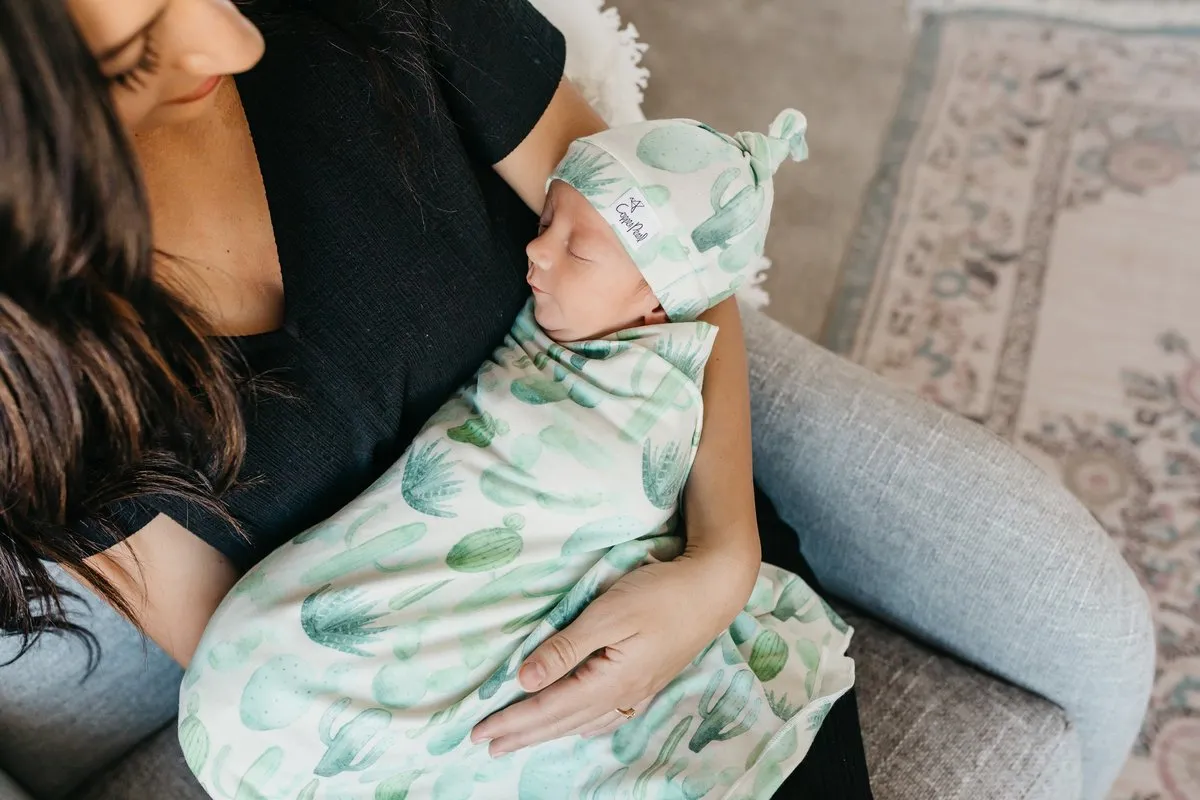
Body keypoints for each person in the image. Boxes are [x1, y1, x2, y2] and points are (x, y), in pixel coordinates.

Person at [0, 1, 1153, 799]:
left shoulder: (367, 23)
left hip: (682, 587)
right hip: (460, 745)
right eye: (136, 55)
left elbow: (675, 251)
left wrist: (721, 562)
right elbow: (269, 679)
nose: (231, 34)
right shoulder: (40, 382)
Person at [182, 110, 854, 799]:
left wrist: (723, 566)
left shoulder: (650, 392)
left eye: (577, 249)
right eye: (542, 226)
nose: (536, 253)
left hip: (685, 568)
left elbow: (697, 303)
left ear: (655, 307)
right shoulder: (552, 331)